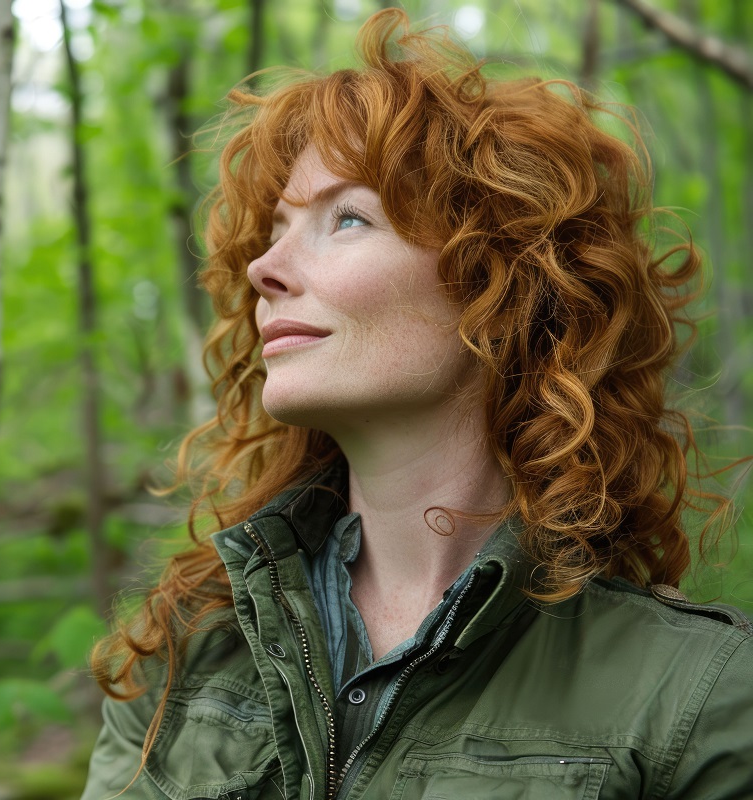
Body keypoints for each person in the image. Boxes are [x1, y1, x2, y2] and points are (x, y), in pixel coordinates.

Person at [81, 9, 753, 799]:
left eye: (349, 218)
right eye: (275, 228)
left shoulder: (698, 698)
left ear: (503, 287)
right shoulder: (185, 654)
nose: (265, 266)